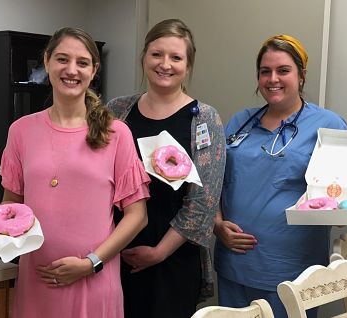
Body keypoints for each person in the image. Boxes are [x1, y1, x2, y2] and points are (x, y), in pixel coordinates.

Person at [0, 27, 150, 318]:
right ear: (46, 62)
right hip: (37, 281)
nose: (71, 70)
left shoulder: (115, 134)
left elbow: (137, 216)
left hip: (93, 281)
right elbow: (11, 203)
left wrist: (90, 262)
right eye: (62, 59)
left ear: (94, 70)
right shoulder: (20, 131)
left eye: (82, 63)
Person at [213, 34, 347, 318]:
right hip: (234, 265)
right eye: (265, 71)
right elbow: (214, 181)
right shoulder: (241, 121)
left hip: (293, 271)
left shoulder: (328, 125)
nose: (273, 79)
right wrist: (217, 224)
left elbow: (344, 193)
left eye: (283, 70)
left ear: (301, 76)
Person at [107, 19, 226, 318]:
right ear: (144, 57)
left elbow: (204, 201)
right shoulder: (116, 111)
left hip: (173, 257)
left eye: (176, 57)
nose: (165, 64)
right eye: (156, 54)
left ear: (188, 65)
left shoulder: (205, 119)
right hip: (114, 249)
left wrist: (158, 252)